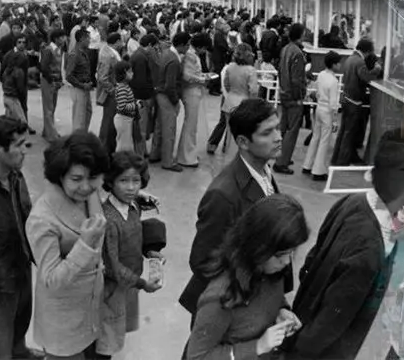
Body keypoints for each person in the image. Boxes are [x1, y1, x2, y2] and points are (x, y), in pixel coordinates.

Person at [286, 146, 404, 359]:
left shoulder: (352, 201)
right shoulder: (368, 252)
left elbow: (311, 260)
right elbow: (329, 324)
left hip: (304, 317)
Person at [179, 98, 287, 317]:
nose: (278, 137)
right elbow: (202, 261)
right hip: (225, 308)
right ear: (243, 142)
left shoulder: (263, 172)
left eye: (277, 128)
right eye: (267, 133)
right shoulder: (224, 195)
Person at [186, 194, 310, 359]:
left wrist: (281, 310)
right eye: (281, 254)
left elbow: (273, 296)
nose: (287, 261)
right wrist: (257, 346)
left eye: (292, 252)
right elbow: (197, 357)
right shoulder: (220, 297)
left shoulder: (272, 270)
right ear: (257, 247)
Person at [26, 131, 110, 359]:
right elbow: (51, 280)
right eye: (76, 179)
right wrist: (85, 243)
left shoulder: (87, 196)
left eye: (92, 177)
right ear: (59, 176)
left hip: (90, 310)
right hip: (63, 323)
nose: (85, 186)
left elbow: (96, 207)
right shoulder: (42, 219)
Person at [0, 116, 43, 360]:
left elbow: (28, 218)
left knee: (20, 323)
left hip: (21, 268)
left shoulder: (15, 176)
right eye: (19, 145)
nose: (25, 151)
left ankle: (20, 352)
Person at [96, 152, 163, 358]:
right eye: (123, 181)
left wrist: (148, 251)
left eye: (136, 180)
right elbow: (113, 266)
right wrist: (143, 283)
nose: (131, 187)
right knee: (106, 339)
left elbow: (136, 233)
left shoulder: (134, 206)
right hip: (112, 289)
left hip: (128, 286)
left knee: (117, 329)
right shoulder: (109, 221)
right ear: (110, 182)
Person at [331, 39, 382, 167]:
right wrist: (376, 69)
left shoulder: (349, 59)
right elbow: (367, 77)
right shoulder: (359, 62)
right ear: (367, 51)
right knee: (349, 133)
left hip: (346, 98)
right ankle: (343, 161)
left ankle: (336, 157)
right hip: (354, 101)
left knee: (343, 131)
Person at [206, 43, 259, 161]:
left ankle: (229, 157)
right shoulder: (251, 70)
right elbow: (254, 91)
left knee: (230, 133)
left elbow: (226, 84)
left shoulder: (230, 68)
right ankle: (239, 159)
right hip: (244, 104)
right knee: (242, 135)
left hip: (229, 104)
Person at [153, 31, 190, 172]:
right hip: (167, 97)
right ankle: (168, 161)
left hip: (160, 94)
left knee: (159, 127)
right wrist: (175, 100)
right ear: (180, 45)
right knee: (169, 130)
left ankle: (155, 154)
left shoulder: (166, 53)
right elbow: (170, 85)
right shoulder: (174, 60)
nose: (188, 48)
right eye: (187, 45)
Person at [302, 51, 341, 181]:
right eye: (338, 63)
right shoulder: (334, 81)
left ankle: (307, 165)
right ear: (334, 64)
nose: (340, 65)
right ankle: (318, 171)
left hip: (319, 108)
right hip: (327, 112)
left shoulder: (321, 75)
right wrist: (335, 120)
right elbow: (334, 103)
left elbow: (317, 93)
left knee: (315, 137)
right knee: (324, 141)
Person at [275, 23, 307, 174]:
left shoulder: (285, 49)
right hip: (293, 96)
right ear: (300, 35)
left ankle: (280, 156)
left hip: (283, 92)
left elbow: (281, 71)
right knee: (292, 130)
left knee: (283, 128)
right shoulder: (298, 54)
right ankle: (282, 162)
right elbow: (296, 79)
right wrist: (299, 96)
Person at [176, 33, 212, 167]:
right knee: (190, 125)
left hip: (194, 91)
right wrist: (202, 79)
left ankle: (188, 154)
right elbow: (186, 76)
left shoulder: (192, 54)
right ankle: (186, 157)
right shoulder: (190, 55)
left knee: (192, 125)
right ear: (201, 46)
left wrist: (202, 76)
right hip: (190, 92)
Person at [96, 32, 125, 154]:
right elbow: (102, 77)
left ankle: (109, 146)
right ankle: (104, 148)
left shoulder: (111, 52)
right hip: (111, 93)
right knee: (108, 121)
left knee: (112, 121)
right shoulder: (107, 55)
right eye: (121, 41)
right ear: (117, 41)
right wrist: (113, 91)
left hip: (115, 90)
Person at [39, 29, 67, 142]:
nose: (64, 39)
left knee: (52, 107)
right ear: (56, 39)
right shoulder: (48, 50)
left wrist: (59, 80)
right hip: (48, 81)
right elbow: (43, 67)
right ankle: (51, 135)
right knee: (48, 108)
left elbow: (58, 67)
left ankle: (47, 131)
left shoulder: (58, 49)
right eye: (62, 37)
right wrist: (52, 81)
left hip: (55, 81)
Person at [66, 28, 95, 132]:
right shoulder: (75, 54)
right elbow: (68, 75)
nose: (90, 41)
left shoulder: (83, 52)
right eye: (88, 39)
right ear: (82, 39)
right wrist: (82, 85)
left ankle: (83, 136)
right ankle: (77, 140)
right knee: (79, 117)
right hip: (79, 88)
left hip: (85, 87)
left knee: (87, 113)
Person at [112, 61, 143, 154]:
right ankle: (121, 164)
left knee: (127, 145)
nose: (132, 73)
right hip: (123, 120)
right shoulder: (122, 88)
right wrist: (136, 105)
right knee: (124, 147)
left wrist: (134, 102)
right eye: (130, 71)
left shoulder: (125, 86)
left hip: (127, 119)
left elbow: (126, 101)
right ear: (124, 73)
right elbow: (122, 106)